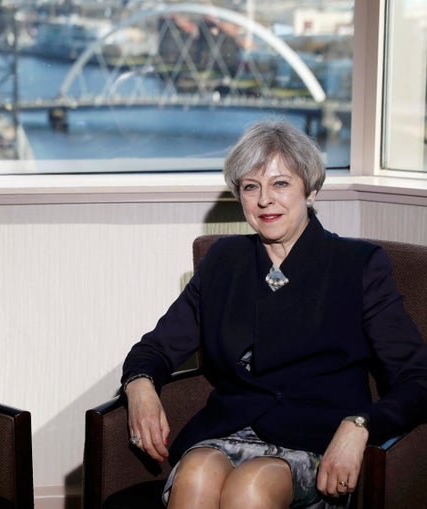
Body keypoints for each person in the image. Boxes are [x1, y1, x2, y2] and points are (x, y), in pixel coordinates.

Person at [121, 119, 427, 509]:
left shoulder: (359, 265)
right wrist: (140, 387)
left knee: (250, 486)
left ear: (311, 190)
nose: (265, 200)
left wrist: (360, 425)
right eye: (251, 186)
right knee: (196, 474)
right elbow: (156, 349)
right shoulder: (224, 261)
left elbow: (418, 380)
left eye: (281, 183)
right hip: (229, 430)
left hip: (316, 441)